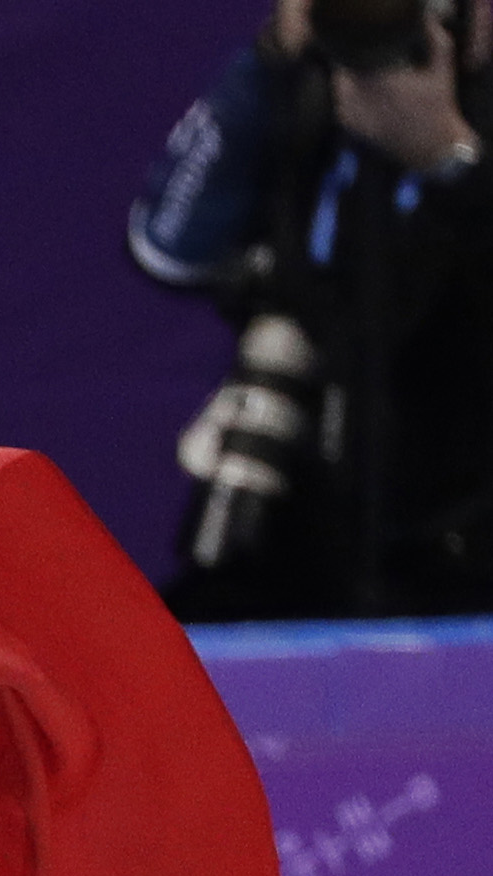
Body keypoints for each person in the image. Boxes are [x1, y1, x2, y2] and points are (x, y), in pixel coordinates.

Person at [133, 0, 491, 621]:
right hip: (310, 524)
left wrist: (447, 157)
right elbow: (169, 246)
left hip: (465, 537)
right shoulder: (310, 97)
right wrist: (269, 59)